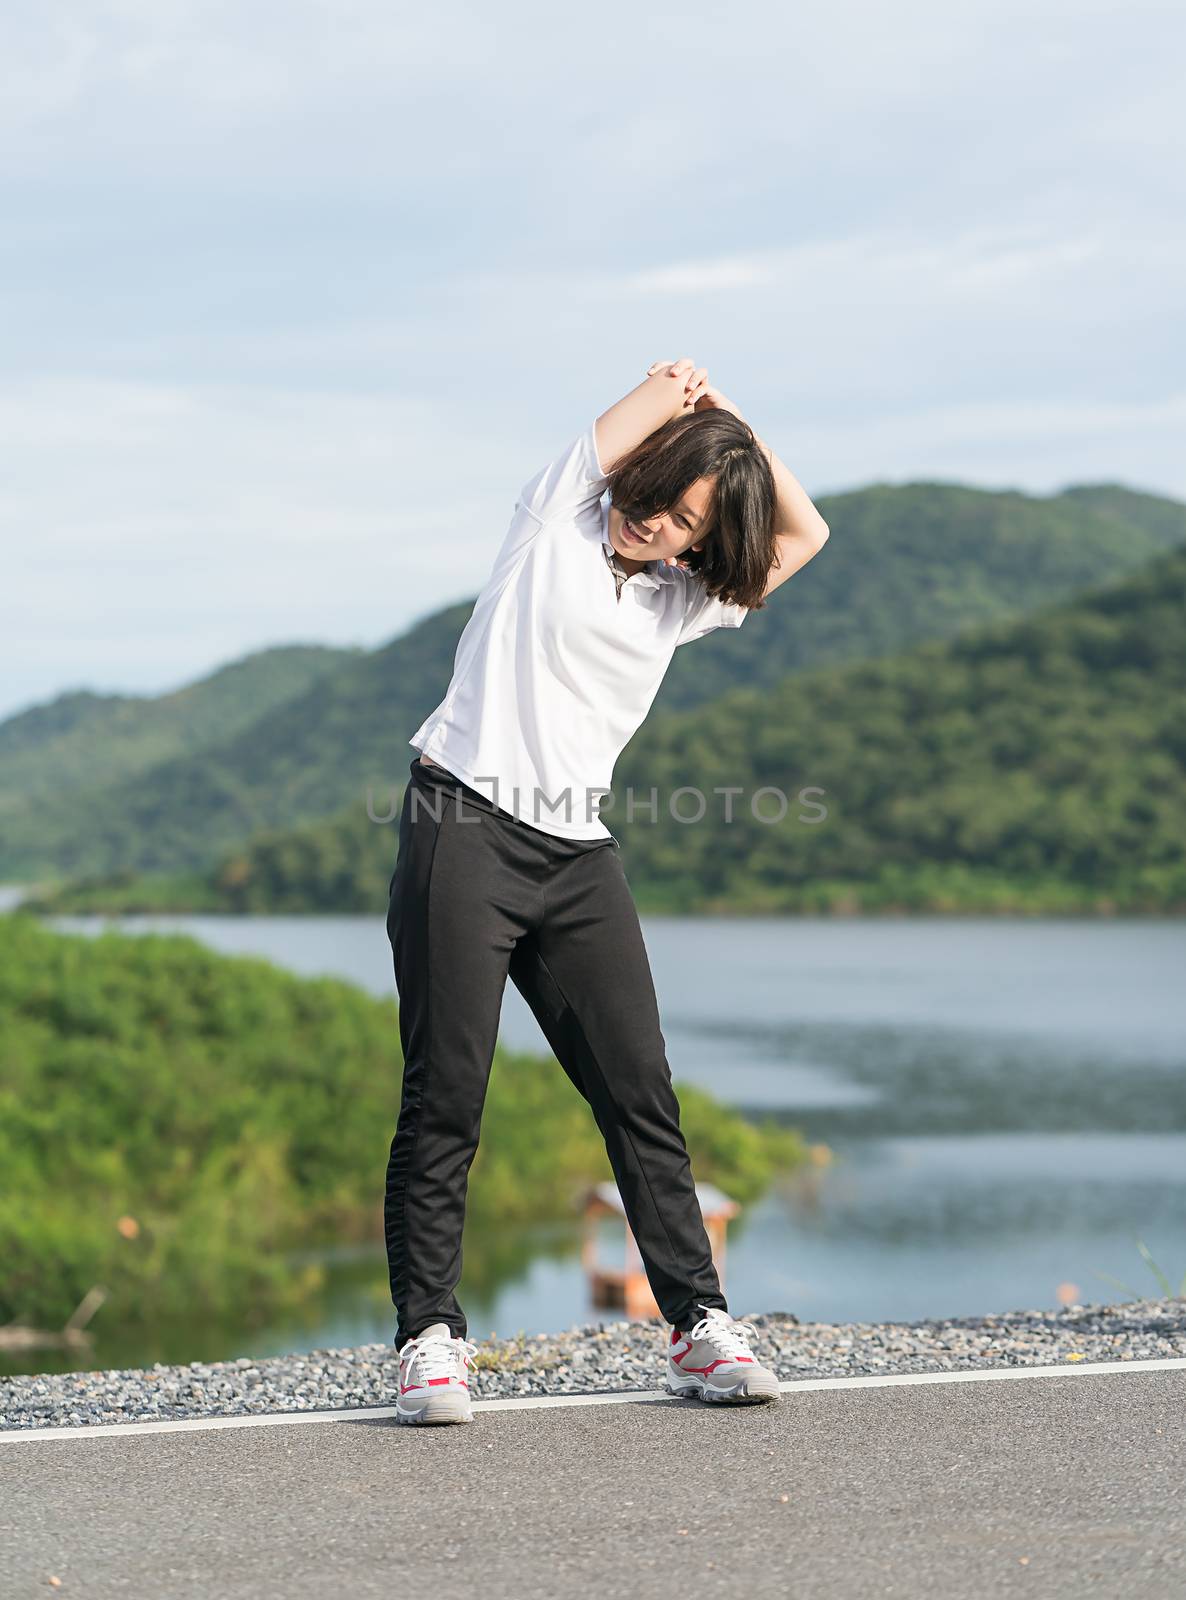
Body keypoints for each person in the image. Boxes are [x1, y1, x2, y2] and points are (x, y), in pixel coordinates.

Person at [384, 357, 831, 1425]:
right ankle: (428, 1341)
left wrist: (735, 440)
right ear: (643, 476)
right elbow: (636, 410)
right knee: (447, 1091)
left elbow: (802, 537)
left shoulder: (681, 600)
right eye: (665, 504)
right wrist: (690, 404)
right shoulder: (556, 520)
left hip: (576, 856)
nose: (665, 533)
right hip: (463, 824)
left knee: (640, 1094)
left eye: (689, 525)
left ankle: (698, 1325)